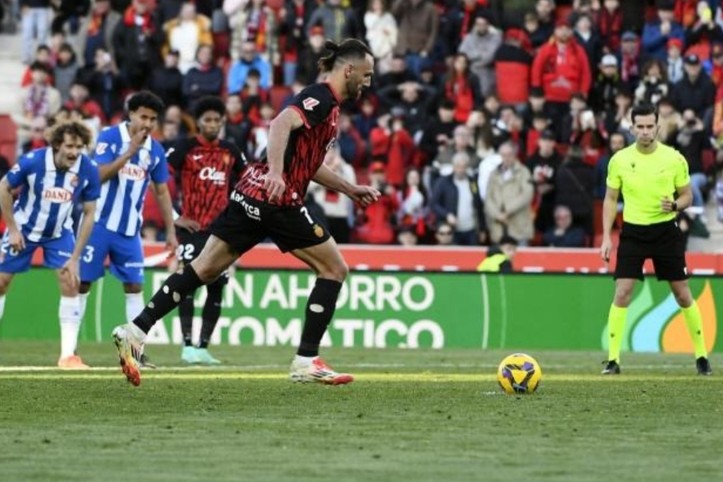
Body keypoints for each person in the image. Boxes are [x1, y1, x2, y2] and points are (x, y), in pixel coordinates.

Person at [112, 38, 380, 387]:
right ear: (349, 70)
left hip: (249, 196)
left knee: (203, 269)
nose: (369, 82)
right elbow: (280, 124)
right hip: (276, 200)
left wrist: (350, 188)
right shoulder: (323, 97)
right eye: (367, 75)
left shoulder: (329, 106)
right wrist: (274, 173)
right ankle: (306, 359)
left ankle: (135, 330)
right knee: (334, 269)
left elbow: (308, 164)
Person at [600, 103, 712, 376]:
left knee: (682, 294)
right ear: (632, 128)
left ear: (658, 127)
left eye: (650, 126)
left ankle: (701, 356)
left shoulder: (674, 159)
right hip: (634, 232)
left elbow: (687, 195)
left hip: (665, 231)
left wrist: (674, 205)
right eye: (640, 126)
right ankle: (613, 360)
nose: (645, 131)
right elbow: (611, 199)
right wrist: (606, 237)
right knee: (623, 292)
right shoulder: (620, 160)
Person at [79, 91, 179, 367]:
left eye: (152, 119)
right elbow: (97, 175)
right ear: (131, 114)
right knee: (82, 282)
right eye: (143, 117)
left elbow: (161, 192)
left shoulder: (156, 151)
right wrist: (129, 153)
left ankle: (135, 351)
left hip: (129, 230)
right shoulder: (111, 137)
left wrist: (171, 230)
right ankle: (70, 351)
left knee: (135, 285)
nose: (147, 123)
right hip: (99, 224)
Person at [0, 121, 100, 368]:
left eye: (79, 146)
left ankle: (68, 356)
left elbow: (89, 214)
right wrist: (12, 228)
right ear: (56, 145)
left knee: (70, 283)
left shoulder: (87, 168)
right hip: (23, 229)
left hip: (59, 233)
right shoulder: (33, 161)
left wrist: (75, 257)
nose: (74, 152)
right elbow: (4, 187)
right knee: (1, 281)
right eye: (69, 146)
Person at [166, 96, 246, 364]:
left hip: (221, 231)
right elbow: (160, 180)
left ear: (223, 122)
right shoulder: (184, 149)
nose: (212, 124)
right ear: (198, 122)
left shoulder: (231, 151)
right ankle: (187, 345)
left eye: (217, 120)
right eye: (207, 120)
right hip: (192, 229)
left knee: (217, 287)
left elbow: (248, 182)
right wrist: (176, 217)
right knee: (188, 284)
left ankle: (202, 347)